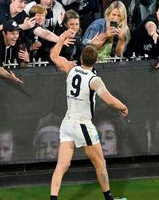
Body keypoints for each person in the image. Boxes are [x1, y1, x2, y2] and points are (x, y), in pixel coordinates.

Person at [49, 29, 128, 200]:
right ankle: (109, 199)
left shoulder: (70, 68)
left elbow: (54, 56)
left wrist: (62, 37)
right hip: (83, 124)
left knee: (61, 166)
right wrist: (123, 107)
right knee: (100, 163)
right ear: (96, 60)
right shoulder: (94, 79)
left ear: (80, 58)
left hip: (67, 123)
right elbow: (110, 100)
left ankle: (53, 198)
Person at [125, 2, 159, 70]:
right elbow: (150, 24)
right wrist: (153, 32)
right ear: (158, 11)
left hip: (154, 62)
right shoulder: (152, 18)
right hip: (133, 61)